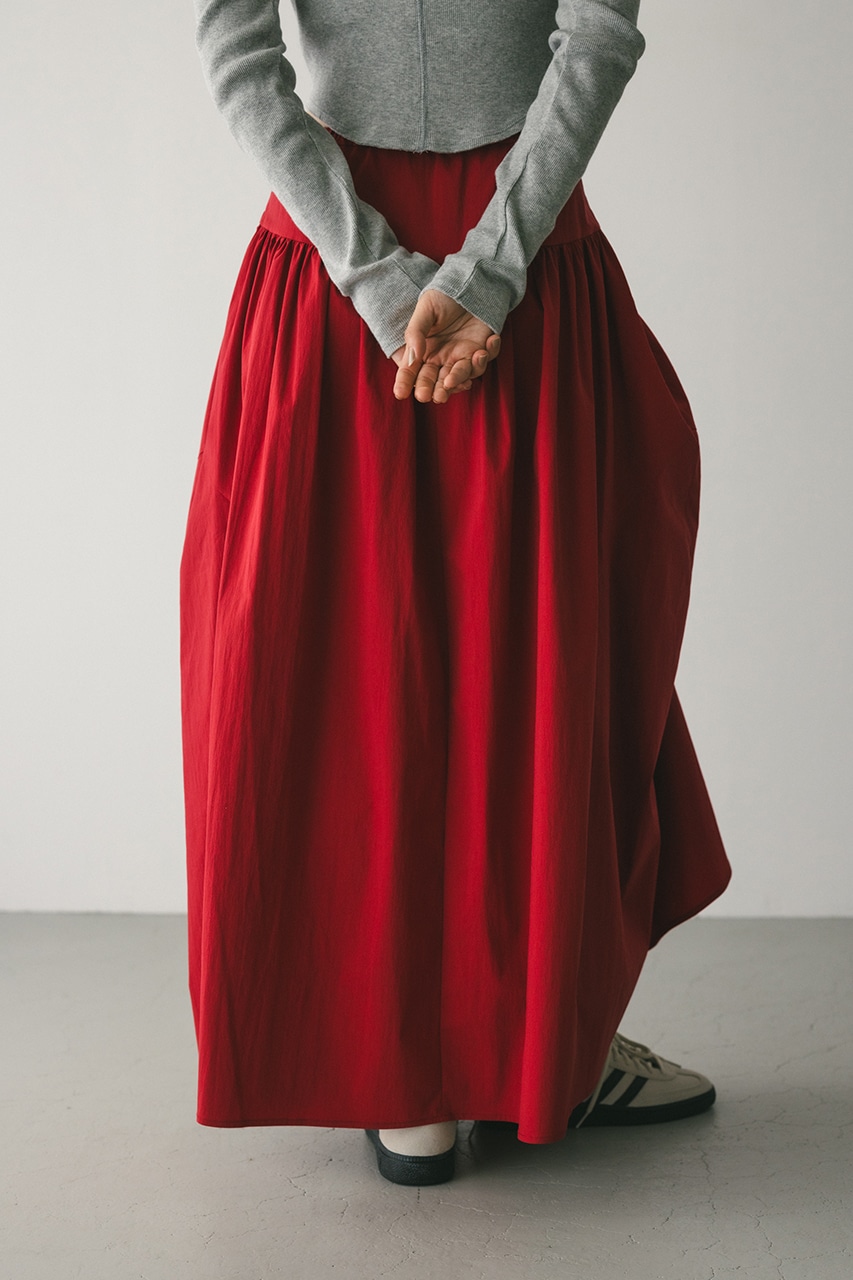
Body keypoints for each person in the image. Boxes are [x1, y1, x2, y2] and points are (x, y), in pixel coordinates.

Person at [180, 0, 732, 1188]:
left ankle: (411, 1090)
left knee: (346, 674)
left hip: (332, 261)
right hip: (521, 254)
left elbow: (235, 46)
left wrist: (381, 280)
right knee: (542, 659)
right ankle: (539, 1049)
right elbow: (596, 31)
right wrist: (483, 271)